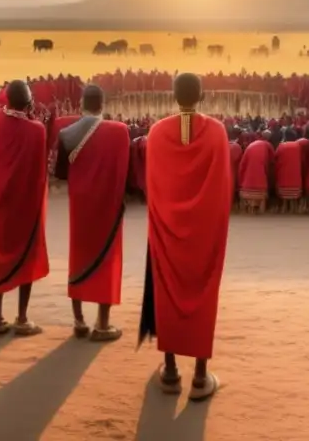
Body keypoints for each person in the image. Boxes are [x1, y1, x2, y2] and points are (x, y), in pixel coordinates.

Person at [139, 73, 231, 403]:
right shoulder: (218, 132)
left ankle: (170, 371)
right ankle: (201, 376)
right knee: (203, 294)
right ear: (202, 96)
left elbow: (153, 184)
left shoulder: (157, 132)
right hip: (204, 233)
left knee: (166, 294)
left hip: (166, 229)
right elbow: (223, 187)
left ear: (172, 95)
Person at [55, 84, 130, 342]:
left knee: (78, 257)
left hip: (80, 205)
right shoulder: (120, 131)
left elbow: (60, 173)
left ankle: (78, 321)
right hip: (108, 205)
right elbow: (126, 172)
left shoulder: (66, 134)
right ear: (103, 105)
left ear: (81, 104)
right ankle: (103, 323)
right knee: (107, 259)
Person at [0, 80, 50, 336]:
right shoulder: (37, 130)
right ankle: (22, 317)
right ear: (30, 102)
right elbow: (39, 171)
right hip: (26, 205)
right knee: (27, 256)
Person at [238, 135, 273, 214]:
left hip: (247, 183)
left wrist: (240, 182)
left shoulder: (251, 146)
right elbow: (271, 161)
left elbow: (242, 166)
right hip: (260, 182)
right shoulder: (267, 145)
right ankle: (261, 210)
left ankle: (248, 208)